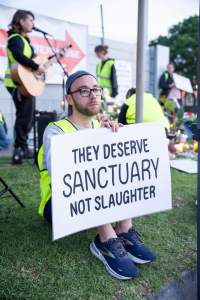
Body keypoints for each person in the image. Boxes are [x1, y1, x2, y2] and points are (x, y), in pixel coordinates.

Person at [38, 70, 156, 280]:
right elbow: (68, 181)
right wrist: (98, 141)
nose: (93, 95)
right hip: (59, 204)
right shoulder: (55, 131)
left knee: (122, 171)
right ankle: (105, 241)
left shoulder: (100, 125)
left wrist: (115, 140)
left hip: (92, 203)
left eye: (96, 90)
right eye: (84, 91)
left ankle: (124, 230)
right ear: (69, 99)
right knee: (91, 181)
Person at [4, 10, 45, 164]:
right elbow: (18, 56)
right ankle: (18, 150)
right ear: (21, 21)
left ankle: (22, 148)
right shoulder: (15, 39)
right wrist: (35, 66)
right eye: (30, 20)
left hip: (26, 82)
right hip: (16, 83)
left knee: (28, 115)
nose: (33, 24)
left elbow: (29, 63)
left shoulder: (25, 40)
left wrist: (42, 64)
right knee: (23, 117)